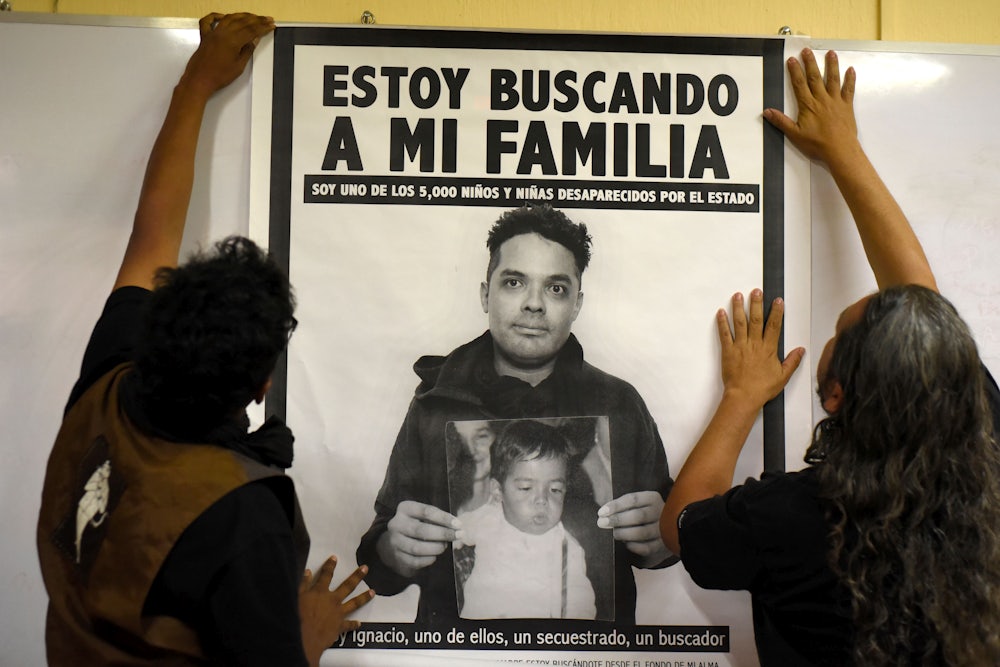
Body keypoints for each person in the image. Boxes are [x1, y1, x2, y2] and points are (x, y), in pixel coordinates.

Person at [36, 14, 372, 667]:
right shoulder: (241, 513)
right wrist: (307, 633)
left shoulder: (107, 385)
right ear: (262, 385)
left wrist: (196, 82)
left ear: (159, 327)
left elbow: (152, 234)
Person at [659, 48, 1000, 666]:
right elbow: (916, 304)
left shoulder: (790, 519)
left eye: (840, 331)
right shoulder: (987, 459)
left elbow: (681, 524)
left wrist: (740, 398)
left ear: (837, 394)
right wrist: (844, 150)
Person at [357, 204, 675, 625]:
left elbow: (665, 543)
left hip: (588, 654)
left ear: (577, 304)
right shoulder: (435, 403)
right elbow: (380, 564)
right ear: (485, 294)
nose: (534, 304)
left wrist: (664, 538)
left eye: (556, 288)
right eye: (514, 282)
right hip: (458, 652)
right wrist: (392, 550)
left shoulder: (620, 404)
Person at [457, 419, 596, 620]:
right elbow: (453, 529)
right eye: (526, 488)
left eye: (555, 490)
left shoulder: (566, 548)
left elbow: (579, 604)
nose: (542, 500)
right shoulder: (487, 519)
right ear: (498, 491)